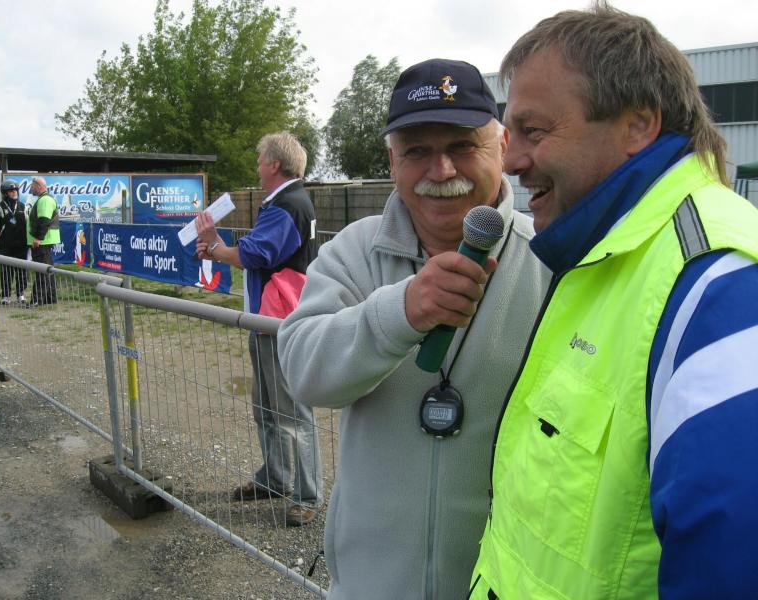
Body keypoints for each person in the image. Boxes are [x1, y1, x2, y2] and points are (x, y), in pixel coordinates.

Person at [468, 4, 758, 599]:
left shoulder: (720, 283)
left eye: (533, 131)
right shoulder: (603, 251)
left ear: (637, 126)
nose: (512, 161)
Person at [277, 59, 549, 599]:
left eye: (462, 146)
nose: (441, 171)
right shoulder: (354, 250)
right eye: (417, 151)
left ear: (502, 145)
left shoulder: (551, 259)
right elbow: (304, 373)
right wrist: (399, 312)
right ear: (392, 161)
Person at [195, 131, 323, 526]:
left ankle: (306, 494)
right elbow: (258, 250)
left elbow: (255, 253)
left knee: (290, 410)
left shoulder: (287, 204)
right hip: (270, 319)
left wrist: (214, 246)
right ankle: (275, 478)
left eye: (259, 159)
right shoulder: (288, 202)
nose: (256, 166)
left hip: (279, 320)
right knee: (267, 406)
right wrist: (217, 247)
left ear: (274, 164)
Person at [0, 179, 28, 304]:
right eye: (11, 191)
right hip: (6, 245)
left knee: (21, 270)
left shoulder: (22, 206)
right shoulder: (0, 207)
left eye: (15, 190)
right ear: (5, 193)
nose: (14, 192)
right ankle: (5, 295)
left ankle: (20, 294)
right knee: (6, 270)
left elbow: (29, 223)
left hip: (21, 245)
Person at [26, 176, 60, 306]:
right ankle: (50, 298)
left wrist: (38, 238)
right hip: (45, 240)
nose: (31, 189)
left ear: (39, 186)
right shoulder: (45, 199)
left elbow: (44, 221)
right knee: (48, 269)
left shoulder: (45, 200)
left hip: (42, 241)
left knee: (41, 270)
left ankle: (37, 300)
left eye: (32, 186)